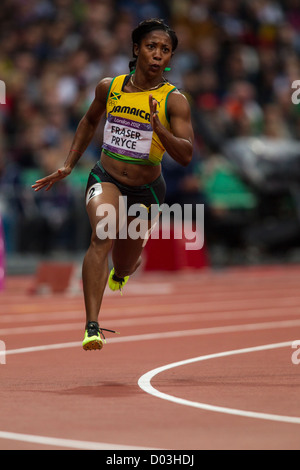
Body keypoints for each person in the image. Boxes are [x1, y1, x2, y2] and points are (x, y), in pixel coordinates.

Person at [32, 18, 194, 351]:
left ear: (170, 58)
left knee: (124, 262)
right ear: (136, 49)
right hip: (105, 177)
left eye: (165, 50)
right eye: (151, 47)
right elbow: (90, 120)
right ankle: (92, 326)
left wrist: (160, 131)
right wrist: (68, 164)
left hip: (146, 190)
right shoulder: (110, 87)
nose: (158, 55)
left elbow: (187, 154)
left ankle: (121, 273)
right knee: (102, 233)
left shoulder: (174, 101)